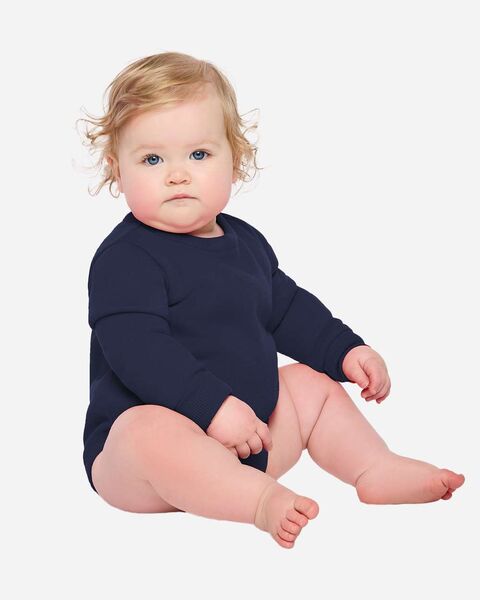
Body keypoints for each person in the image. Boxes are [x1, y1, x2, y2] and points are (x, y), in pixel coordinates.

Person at [78, 51, 465, 549]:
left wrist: (346, 350)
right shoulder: (126, 259)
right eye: (152, 159)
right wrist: (213, 408)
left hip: (248, 441)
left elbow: (287, 309)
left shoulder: (245, 243)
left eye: (199, 155)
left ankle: (374, 466)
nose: (177, 175)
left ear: (235, 160)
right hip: (143, 467)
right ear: (117, 169)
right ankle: (260, 501)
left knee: (309, 385)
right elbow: (138, 350)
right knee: (146, 429)